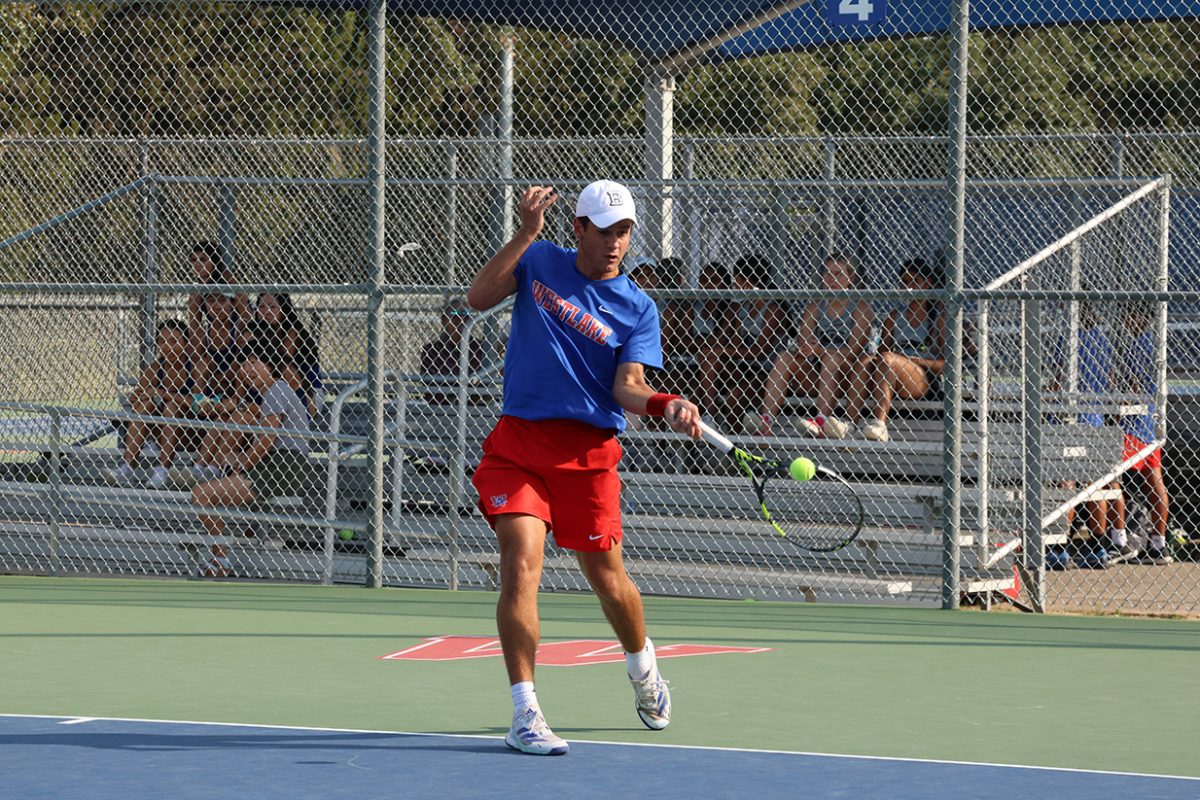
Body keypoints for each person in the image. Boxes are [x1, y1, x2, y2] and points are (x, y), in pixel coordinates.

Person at [465, 180, 702, 756]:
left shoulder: (639, 309)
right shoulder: (539, 260)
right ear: (579, 229)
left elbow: (628, 386)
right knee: (520, 565)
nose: (616, 242)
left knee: (609, 580)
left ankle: (644, 669)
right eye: (605, 230)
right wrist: (524, 234)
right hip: (519, 444)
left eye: (625, 231)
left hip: (588, 457)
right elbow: (478, 298)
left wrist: (664, 403)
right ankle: (525, 712)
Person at [191, 329, 316, 577]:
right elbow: (264, 441)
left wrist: (244, 464)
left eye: (254, 362)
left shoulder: (276, 391)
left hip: (283, 468)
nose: (247, 369)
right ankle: (220, 557)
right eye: (244, 363)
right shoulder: (273, 392)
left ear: (270, 366)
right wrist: (239, 460)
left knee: (201, 495)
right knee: (204, 491)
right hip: (275, 464)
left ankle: (221, 559)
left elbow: (267, 440)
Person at [749, 253, 874, 438]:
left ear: (850, 278)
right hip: (819, 375)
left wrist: (821, 350)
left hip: (848, 378)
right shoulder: (815, 306)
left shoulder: (861, 308)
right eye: (828, 274)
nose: (832, 279)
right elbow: (804, 342)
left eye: (838, 274)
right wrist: (806, 348)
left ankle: (821, 421)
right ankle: (765, 420)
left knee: (831, 357)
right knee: (785, 357)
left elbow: (854, 351)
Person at [844, 258, 946, 443]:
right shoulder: (894, 317)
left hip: (923, 376)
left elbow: (947, 365)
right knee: (866, 359)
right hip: (890, 371)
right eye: (905, 282)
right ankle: (849, 423)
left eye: (915, 281)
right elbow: (882, 353)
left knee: (888, 359)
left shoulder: (938, 317)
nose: (909, 288)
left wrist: (915, 360)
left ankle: (880, 424)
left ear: (928, 283)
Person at [695, 253, 786, 430]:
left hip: (763, 371)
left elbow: (759, 352)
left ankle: (735, 444)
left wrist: (721, 351)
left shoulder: (773, 309)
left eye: (738, 280)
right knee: (708, 357)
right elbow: (735, 344)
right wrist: (720, 351)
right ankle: (710, 416)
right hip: (741, 365)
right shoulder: (741, 307)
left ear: (749, 281)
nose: (734, 285)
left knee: (733, 398)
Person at [104, 319, 194, 489]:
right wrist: (145, 396)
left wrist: (165, 394)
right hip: (163, 433)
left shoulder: (195, 367)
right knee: (145, 406)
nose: (167, 346)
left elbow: (200, 404)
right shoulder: (156, 367)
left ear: (186, 342)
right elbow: (135, 398)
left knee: (172, 406)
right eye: (162, 341)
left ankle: (162, 469)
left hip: (190, 432)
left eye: (174, 341)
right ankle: (127, 467)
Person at [1116, 301, 1174, 566]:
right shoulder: (1150, 343)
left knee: (1110, 475)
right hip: (1150, 423)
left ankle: (1118, 540)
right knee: (1154, 479)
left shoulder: (1141, 345)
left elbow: (1133, 384)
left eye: (1129, 315)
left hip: (1136, 424)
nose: (1126, 322)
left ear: (1139, 316)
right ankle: (1158, 543)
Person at [255, 292, 323, 418]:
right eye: (262, 307)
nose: (266, 311)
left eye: (272, 307)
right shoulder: (257, 331)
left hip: (307, 391)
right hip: (274, 390)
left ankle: (301, 412)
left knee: (284, 369)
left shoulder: (292, 332)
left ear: (284, 309)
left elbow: (279, 366)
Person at [419, 296, 487, 405]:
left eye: (465, 316)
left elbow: (482, 389)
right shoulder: (431, 351)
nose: (460, 320)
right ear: (444, 320)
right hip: (441, 409)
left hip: (475, 408)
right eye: (455, 316)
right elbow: (431, 389)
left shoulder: (481, 349)